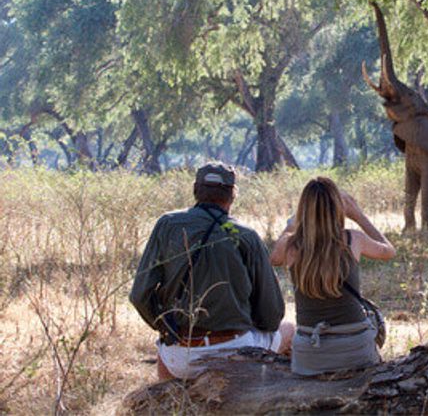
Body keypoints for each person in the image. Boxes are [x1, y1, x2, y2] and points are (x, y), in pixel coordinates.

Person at [130, 161, 294, 380]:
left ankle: (173, 401)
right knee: (289, 329)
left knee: (164, 352)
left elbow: (139, 295)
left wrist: (168, 330)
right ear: (232, 195)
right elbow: (271, 316)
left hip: (181, 356)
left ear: (195, 190)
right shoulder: (246, 235)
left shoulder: (167, 224)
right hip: (238, 351)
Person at [270, 177, 395, 375]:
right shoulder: (353, 239)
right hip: (356, 350)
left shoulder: (290, 244)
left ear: (303, 209)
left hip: (311, 352)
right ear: (338, 208)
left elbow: (273, 259)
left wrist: (292, 224)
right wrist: (360, 216)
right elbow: (389, 251)